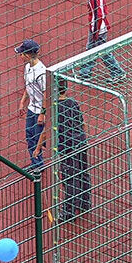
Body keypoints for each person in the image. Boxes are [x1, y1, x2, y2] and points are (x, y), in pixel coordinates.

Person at [34, 80, 92, 222]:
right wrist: (84, 138)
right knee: (83, 172)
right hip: (80, 142)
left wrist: (38, 148)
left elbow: (46, 132)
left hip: (67, 146)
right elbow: (83, 123)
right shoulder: (73, 103)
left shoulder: (54, 108)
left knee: (69, 178)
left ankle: (68, 212)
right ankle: (85, 203)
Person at [75, 0, 126, 83]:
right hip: (96, 28)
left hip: (97, 29)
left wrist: (95, 32)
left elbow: (98, 15)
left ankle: (117, 72)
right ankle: (85, 73)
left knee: (102, 52)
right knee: (91, 49)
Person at [16, 39, 46, 171]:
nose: (20, 56)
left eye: (21, 54)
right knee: (30, 136)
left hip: (40, 111)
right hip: (31, 109)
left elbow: (46, 94)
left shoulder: (41, 72)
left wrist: (42, 114)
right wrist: (22, 102)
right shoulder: (27, 67)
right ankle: (37, 164)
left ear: (27, 55)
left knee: (41, 138)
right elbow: (28, 87)